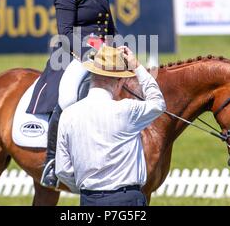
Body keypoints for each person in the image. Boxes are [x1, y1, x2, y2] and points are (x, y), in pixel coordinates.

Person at [26, 0, 117, 188]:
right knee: (66, 97)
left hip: (103, 55)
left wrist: (120, 49)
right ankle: (52, 163)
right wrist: (91, 55)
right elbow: (64, 33)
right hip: (73, 56)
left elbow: (110, 28)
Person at [55, 46, 166, 206]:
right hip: (126, 199)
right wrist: (137, 66)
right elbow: (158, 103)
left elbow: (62, 170)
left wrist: (89, 188)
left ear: (92, 75)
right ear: (120, 82)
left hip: (88, 199)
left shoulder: (68, 114)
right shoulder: (128, 109)